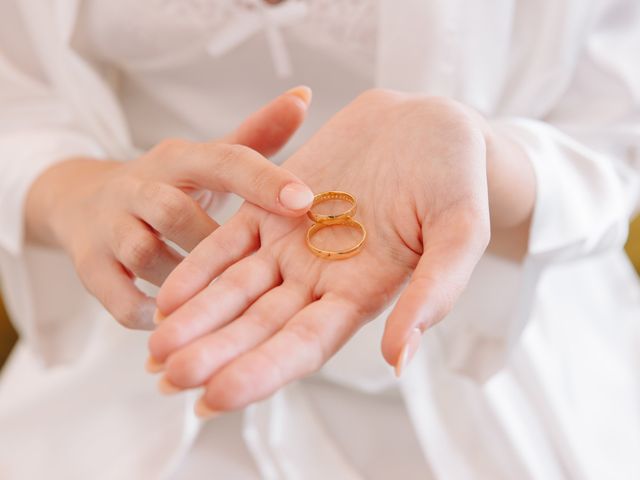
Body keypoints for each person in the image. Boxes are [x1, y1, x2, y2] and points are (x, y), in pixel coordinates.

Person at [1, 1, 639, 479]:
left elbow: (613, 138)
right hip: (140, 341)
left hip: (488, 372)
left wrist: (476, 156)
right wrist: (81, 195)